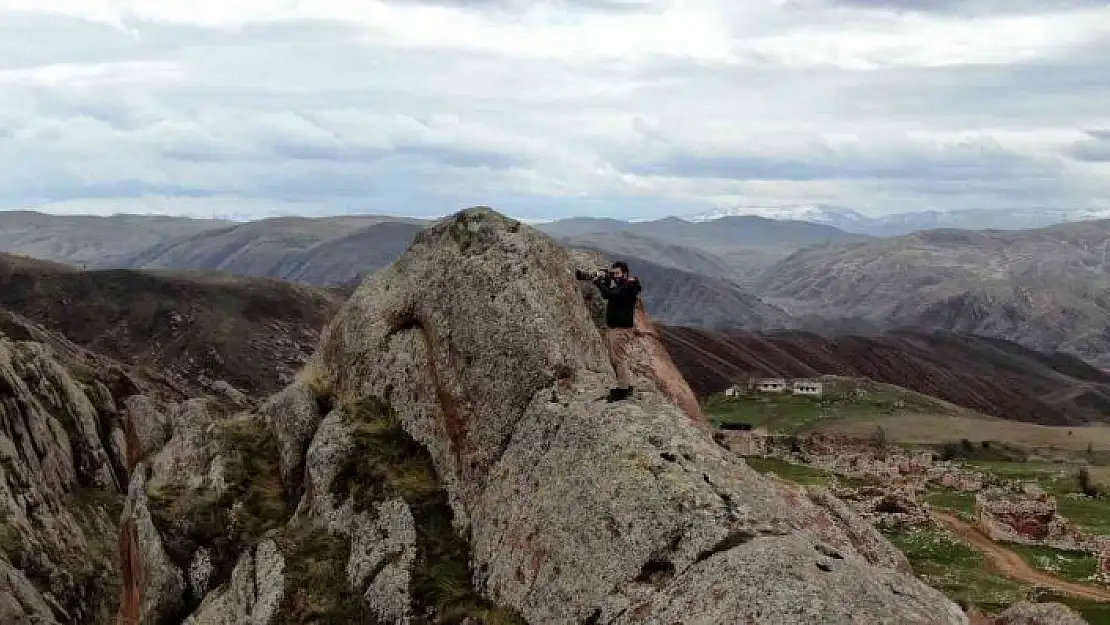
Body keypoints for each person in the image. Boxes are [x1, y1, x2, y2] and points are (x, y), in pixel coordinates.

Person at [577, 261, 641, 401]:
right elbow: (609, 294)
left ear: (625, 273)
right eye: (613, 274)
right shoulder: (624, 285)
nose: (615, 276)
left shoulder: (628, 287)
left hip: (620, 329)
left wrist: (599, 283)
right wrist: (604, 281)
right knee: (617, 358)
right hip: (617, 328)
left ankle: (623, 389)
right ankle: (626, 384)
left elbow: (610, 295)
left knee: (618, 359)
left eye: (617, 273)